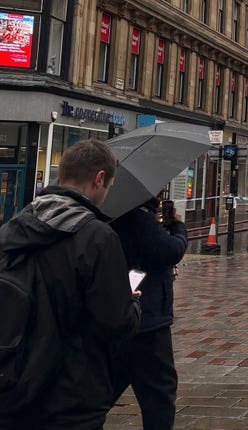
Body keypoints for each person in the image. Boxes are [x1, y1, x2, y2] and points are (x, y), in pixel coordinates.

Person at [0, 139, 140, 430]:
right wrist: (133, 302)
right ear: (99, 179)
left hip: (13, 387)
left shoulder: (14, 227)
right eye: (109, 186)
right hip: (71, 396)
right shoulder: (97, 237)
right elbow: (116, 323)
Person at [110, 195, 188, 430]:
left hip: (116, 312)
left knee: (106, 384)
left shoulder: (114, 211)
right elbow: (170, 251)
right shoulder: (137, 216)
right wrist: (178, 227)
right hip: (147, 317)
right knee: (160, 393)